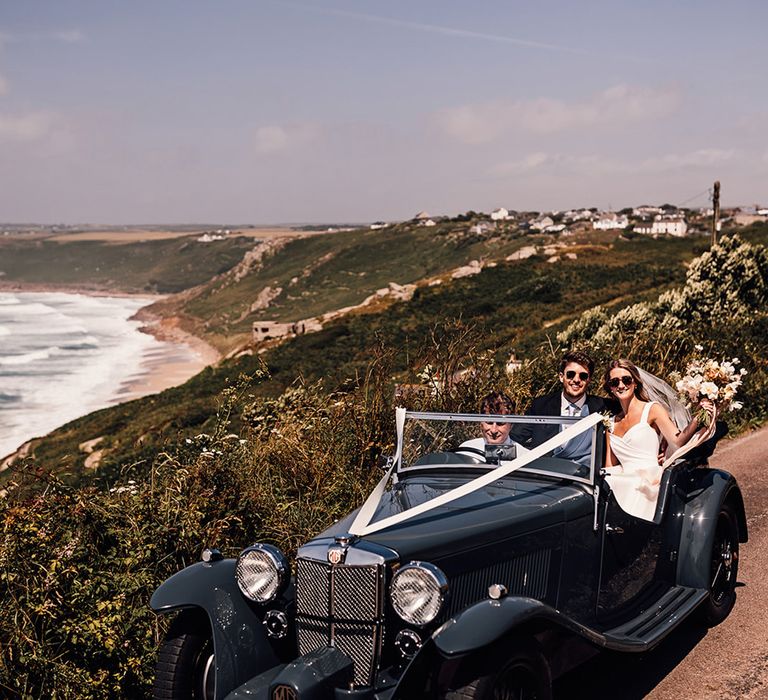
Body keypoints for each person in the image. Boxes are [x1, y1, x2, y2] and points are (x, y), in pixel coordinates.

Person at [603, 358, 713, 521]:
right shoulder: (610, 423)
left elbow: (677, 441)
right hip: (622, 482)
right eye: (614, 382)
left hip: (650, 483)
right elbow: (610, 465)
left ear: (635, 382)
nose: (621, 385)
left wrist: (697, 418)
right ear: (610, 388)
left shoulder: (652, 409)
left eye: (626, 379)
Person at [513, 350, 615, 465]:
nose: (576, 380)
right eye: (571, 374)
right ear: (561, 377)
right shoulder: (541, 406)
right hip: (548, 475)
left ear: (589, 379)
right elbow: (515, 437)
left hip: (585, 479)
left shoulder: (604, 407)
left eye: (583, 376)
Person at [457, 391, 528, 458]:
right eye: (489, 422)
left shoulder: (523, 456)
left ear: (511, 425)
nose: (494, 430)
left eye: (500, 423)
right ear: (481, 423)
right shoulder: (466, 451)